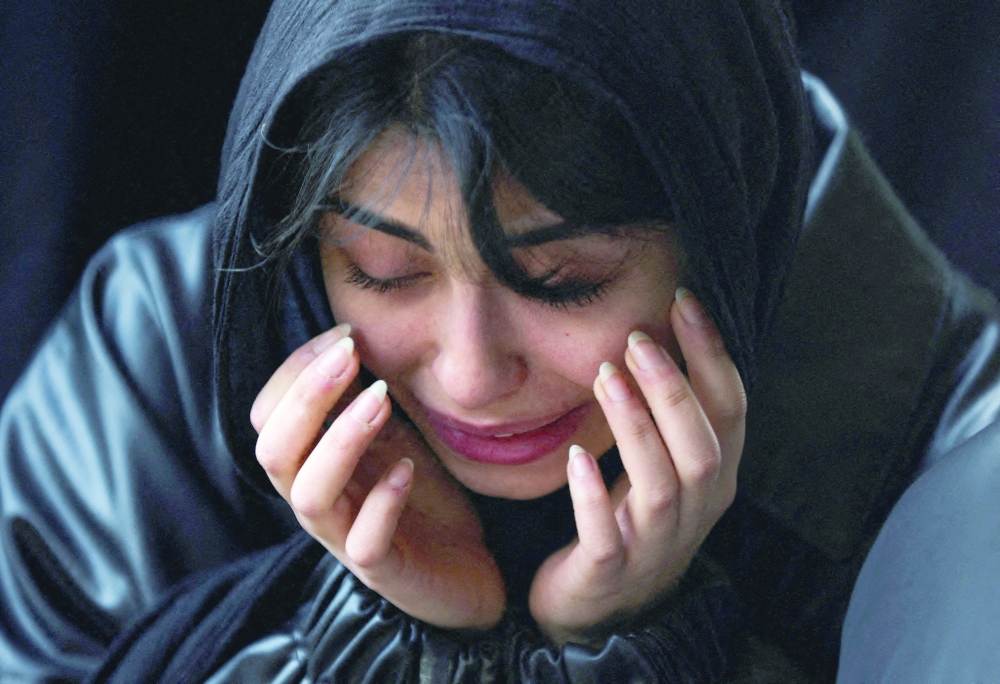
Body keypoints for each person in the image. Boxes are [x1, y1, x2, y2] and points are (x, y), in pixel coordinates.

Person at [1, 0, 998, 682]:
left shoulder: (952, 444)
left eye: (564, 283)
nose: (473, 375)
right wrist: (380, 640)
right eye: (382, 274)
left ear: (724, 220)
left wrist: (628, 645)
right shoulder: (148, 369)